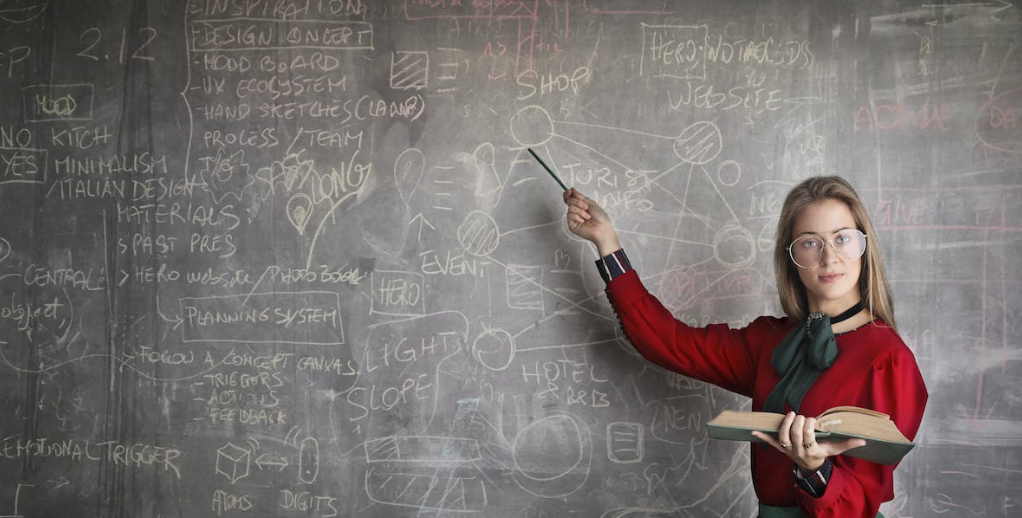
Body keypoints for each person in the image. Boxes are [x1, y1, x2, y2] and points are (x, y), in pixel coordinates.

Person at [562, 176, 927, 518]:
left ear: (864, 246)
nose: (829, 257)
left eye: (843, 238)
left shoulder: (888, 361)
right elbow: (666, 342)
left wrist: (815, 469)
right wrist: (607, 242)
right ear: (792, 258)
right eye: (811, 242)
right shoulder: (768, 341)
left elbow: (859, 504)